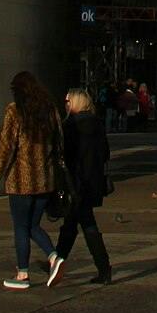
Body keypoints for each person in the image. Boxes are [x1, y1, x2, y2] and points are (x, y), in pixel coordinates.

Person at [0, 71, 62, 290]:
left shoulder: (15, 111)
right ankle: (54, 257)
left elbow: (6, 147)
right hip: (45, 180)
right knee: (33, 225)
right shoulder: (50, 110)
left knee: (21, 227)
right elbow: (59, 143)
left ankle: (23, 273)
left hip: (20, 180)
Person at [48, 88, 113, 286]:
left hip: (75, 183)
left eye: (68, 100)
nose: (65, 104)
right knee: (73, 224)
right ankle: (58, 261)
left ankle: (100, 268)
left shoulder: (70, 126)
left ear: (75, 102)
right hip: (91, 182)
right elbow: (105, 153)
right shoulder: (97, 124)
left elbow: (64, 157)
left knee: (84, 224)